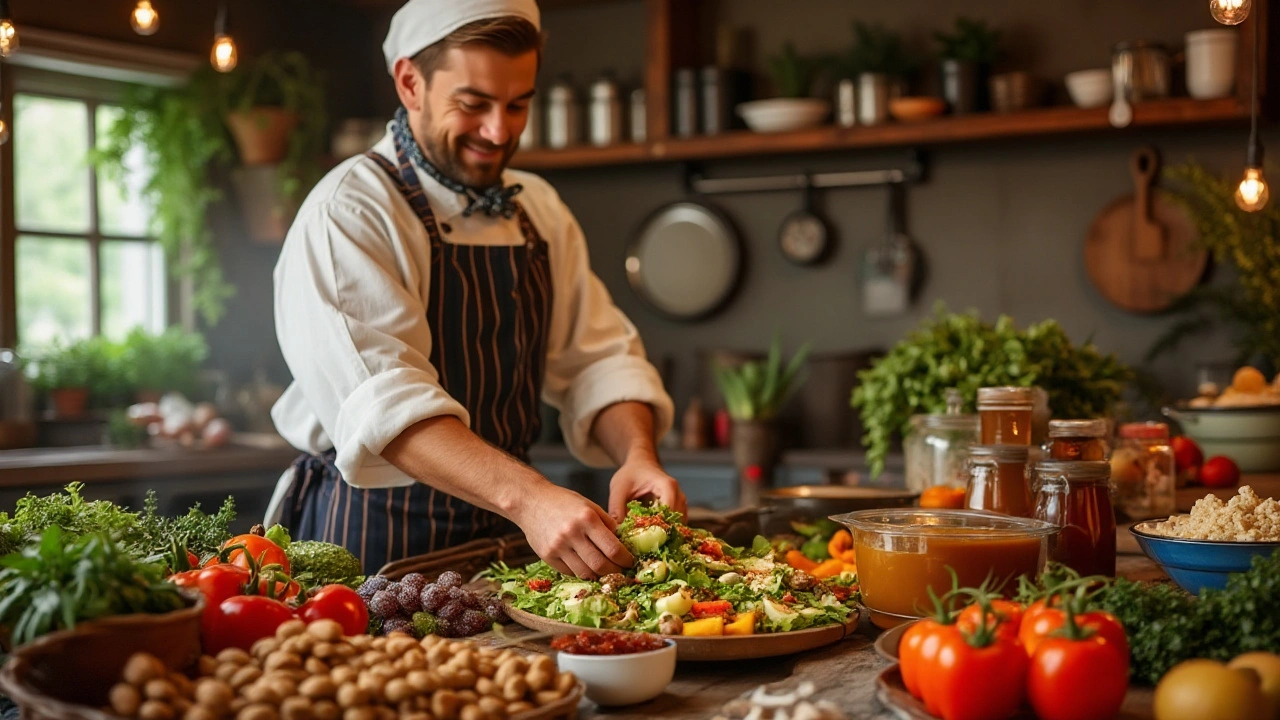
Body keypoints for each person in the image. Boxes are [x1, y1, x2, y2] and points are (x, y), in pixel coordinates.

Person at [265, 0, 685, 579]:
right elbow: (387, 408)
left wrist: (638, 456)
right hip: (373, 547)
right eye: (473, 104)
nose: (499, 131)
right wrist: (533, 499)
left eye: (518, 105)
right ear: (410, 82)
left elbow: (599, 361)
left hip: (505, 541)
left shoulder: (538, 208)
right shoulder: (350, 211)